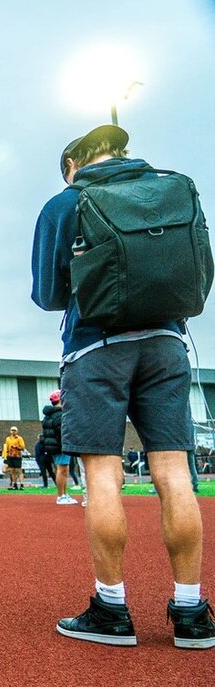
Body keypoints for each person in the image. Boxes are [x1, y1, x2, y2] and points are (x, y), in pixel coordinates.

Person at [34, 123, 214, 648]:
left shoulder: (67, 202)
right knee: (173, 473)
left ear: (75, 164)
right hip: (167, 343)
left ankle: (112, 609)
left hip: (96, 348)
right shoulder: (173, 187)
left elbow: (48, 294)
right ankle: (191, 612)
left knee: (103, 476)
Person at [41, 391, 75, 505]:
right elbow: (62, 432)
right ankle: (61, 495)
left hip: (55, 445)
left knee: (63, 470)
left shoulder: (49, 415)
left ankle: (64, 494)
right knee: (62, 470)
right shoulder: (59, 415)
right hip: (61, 445)